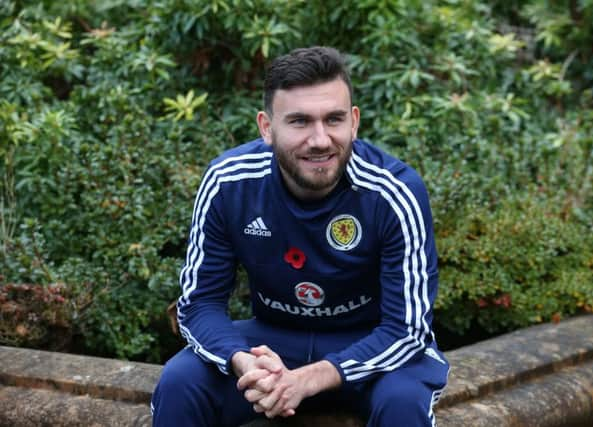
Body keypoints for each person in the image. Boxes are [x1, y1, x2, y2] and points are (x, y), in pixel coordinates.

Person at [151, 46, 449, 427]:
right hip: (271, 343)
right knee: (180, 383)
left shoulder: (393, 192)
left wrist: (308, 379)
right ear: (266, 127)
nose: (320, 139)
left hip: (371, 346)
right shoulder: (229, 183)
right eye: (300, 122)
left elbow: (407, 329)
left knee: (404, 403)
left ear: (354, 122)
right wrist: (246, 364)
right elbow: (198, 305)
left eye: (334, 119)